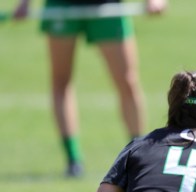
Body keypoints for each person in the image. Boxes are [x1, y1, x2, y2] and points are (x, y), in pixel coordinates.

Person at [13, 0, 167, 177]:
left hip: (107, 5)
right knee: (61, 80)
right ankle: (73, 160)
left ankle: (139, 155)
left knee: (127, 81)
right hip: (62, 6)